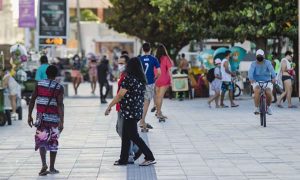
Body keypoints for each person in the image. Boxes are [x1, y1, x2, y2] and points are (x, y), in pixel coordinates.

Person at [105, 57, 156, 166]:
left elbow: (120, 95)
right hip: (136, 111)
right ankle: (123, 159)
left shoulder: (129, 79)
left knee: (133, 135)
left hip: (129, 112)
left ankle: (149, 156)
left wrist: (109, 106)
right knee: (126, 136)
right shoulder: (141, 80)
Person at [27, 65, 64, 176]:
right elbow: (60, 104)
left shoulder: (39, 84)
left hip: (41, 118)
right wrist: (62, 121)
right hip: (54, 119)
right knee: (53, 141)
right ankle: (52, 167)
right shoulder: (59, 87)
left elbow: (32, 100)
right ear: (56, 75)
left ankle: (44, 164)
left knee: (42, 140)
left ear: (46, 73)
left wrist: (29, 115)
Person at [139, 43, 161, 132]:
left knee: (141, 102)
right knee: (146, 102)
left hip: (140, 83)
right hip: (150, 83)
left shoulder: (139, 59)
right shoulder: (154, 59)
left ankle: (142, 121)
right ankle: (142, 121)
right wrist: (154, 78)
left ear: (143, 49)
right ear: (150, 49)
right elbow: (159, 72)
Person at [248, 49, 276, 115]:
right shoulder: (253, 63)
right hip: (256, 81)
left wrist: (274, 77)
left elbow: (272, 70)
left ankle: (268, 107)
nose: (260, 57)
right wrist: (251, 79)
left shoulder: (268, 62)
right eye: (259, 56)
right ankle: (256, 108)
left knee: (268, 92)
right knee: (257, 91)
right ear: (256, 56)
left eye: (261, 55)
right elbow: (250, 72)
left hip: (267, 81)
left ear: (264, 56)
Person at [154, 44, 173, 120]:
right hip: (164, 79)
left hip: (156, 79)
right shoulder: (166, 58)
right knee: (160, 97)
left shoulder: (155, 58)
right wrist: (171, 80)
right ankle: (159, 113)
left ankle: (158, 111)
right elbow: (169, 70)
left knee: (157, 96)